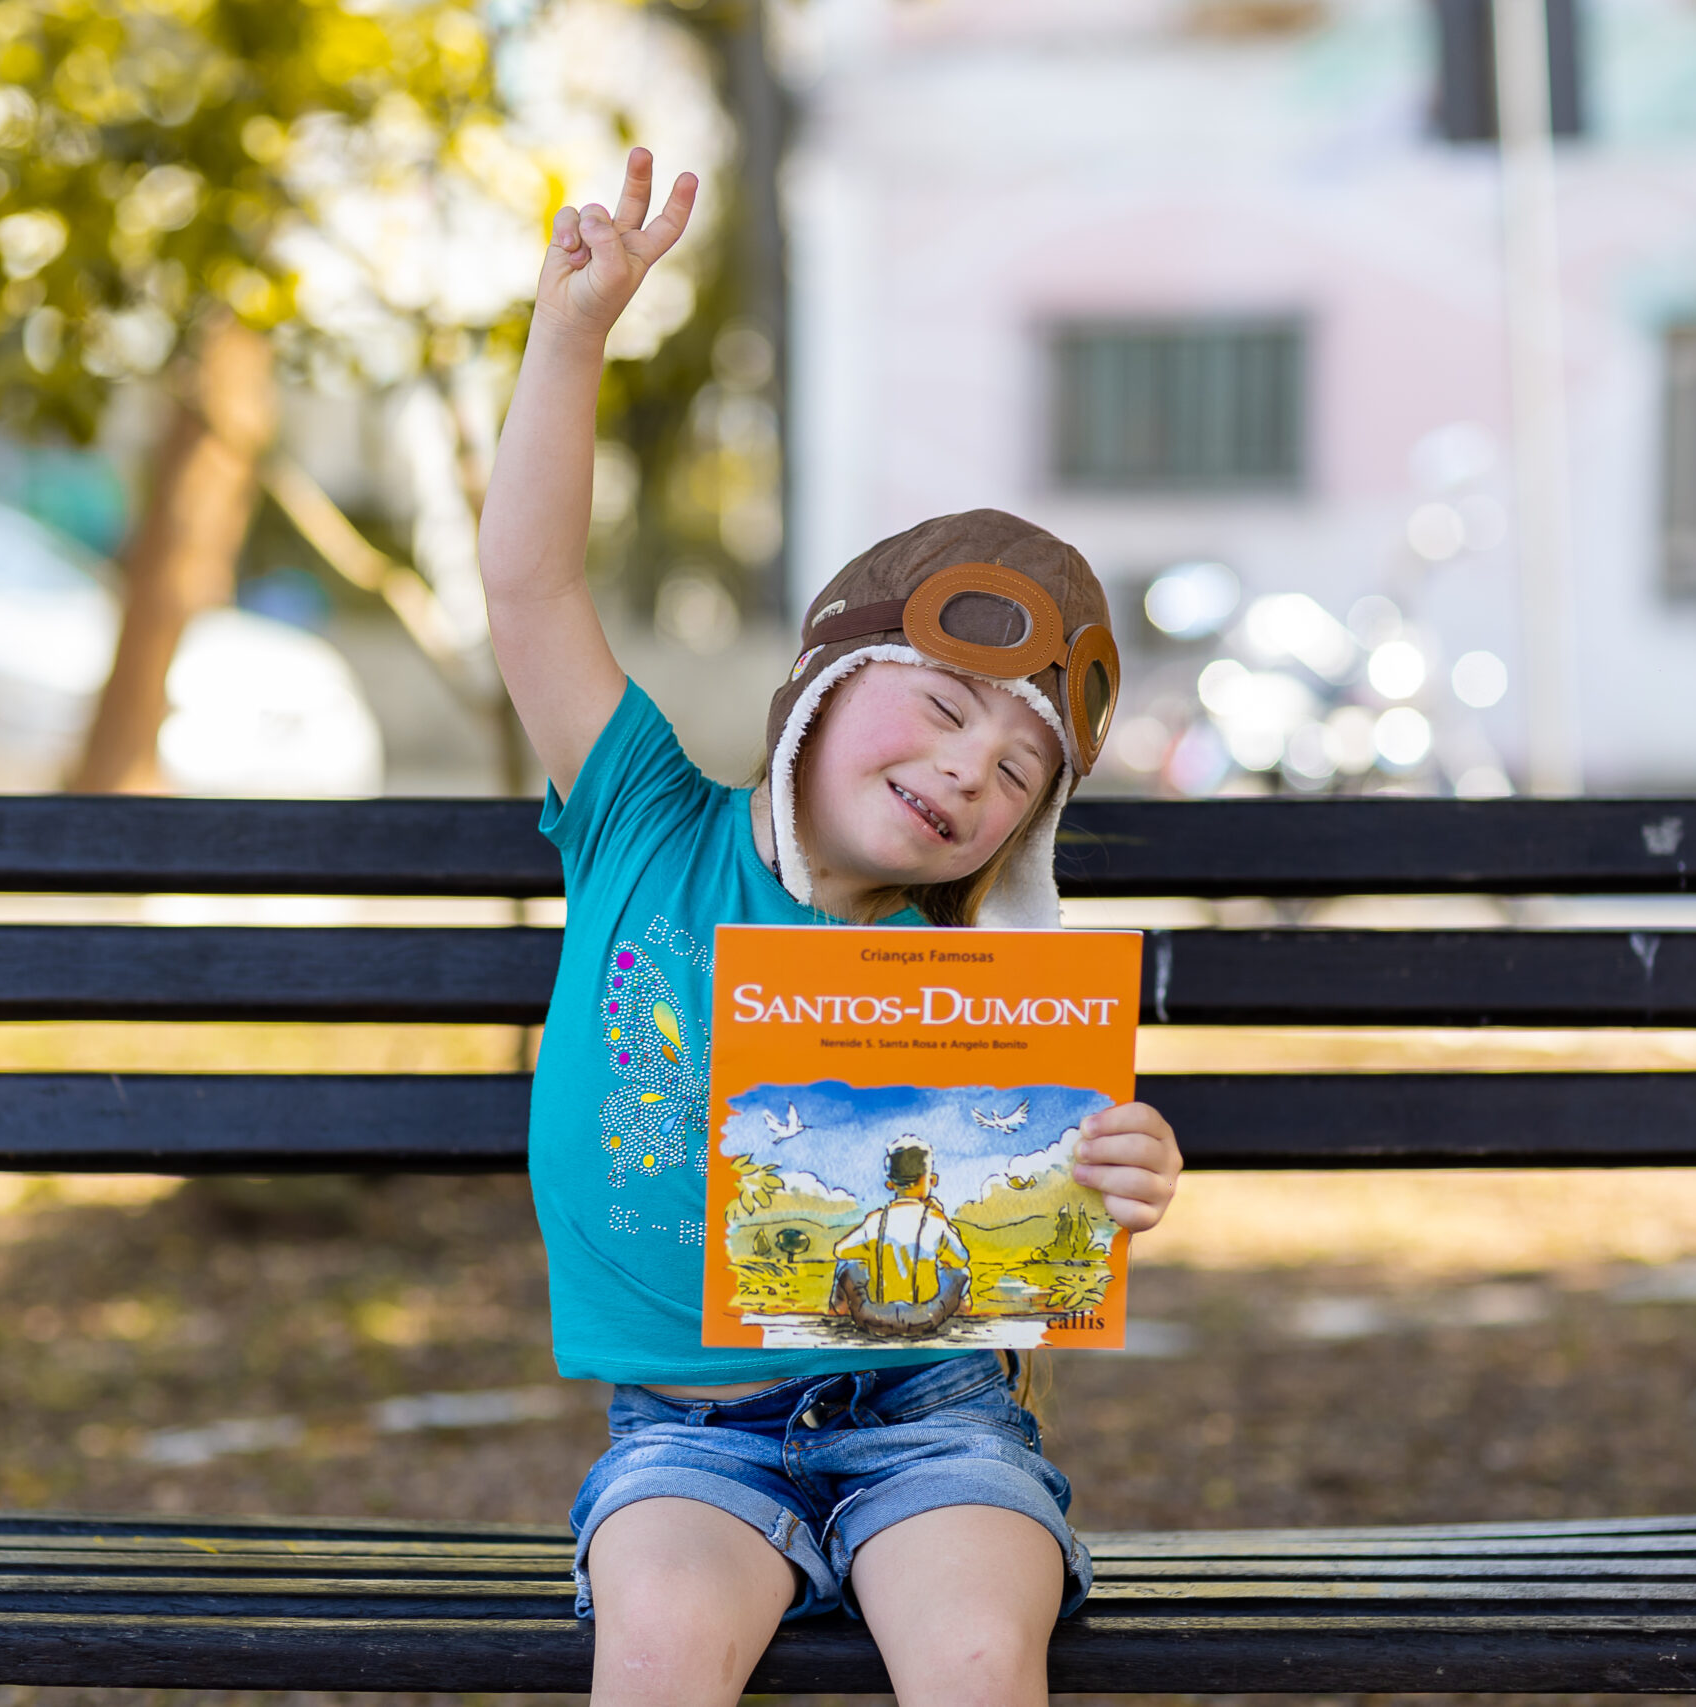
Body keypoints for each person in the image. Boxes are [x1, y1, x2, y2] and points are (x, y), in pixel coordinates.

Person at [476, 147, 1185, 1707]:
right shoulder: (644, 815)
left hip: (934, 1410)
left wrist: (1127, 1166)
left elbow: (1053, 1191)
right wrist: (576, 332)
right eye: (937, 708)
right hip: (684, 1434)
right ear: (822, 682)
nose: (960, 770)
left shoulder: (990, 982)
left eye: (1014, 771)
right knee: (656, 1649)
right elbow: (528, 587)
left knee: (983, 1650)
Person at [830, 1139, 973, 1336]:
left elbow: (840, 1250)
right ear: (930, 1180)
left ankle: (838, 1311)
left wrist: (874, 1250)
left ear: (890, 1184)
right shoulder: (935, 1221)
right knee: (960, 1273)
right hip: (925, 1319)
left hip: (873, 1318)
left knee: (847, 1265)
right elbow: (961, 1258)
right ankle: (962, 1314)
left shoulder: (875, 1221)